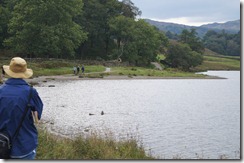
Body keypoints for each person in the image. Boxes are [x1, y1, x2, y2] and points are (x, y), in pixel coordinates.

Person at [0, 57, 43, 159]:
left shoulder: (1, 91)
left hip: (2, 144)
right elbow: (38, 115)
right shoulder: (30, 92)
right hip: (25, 145)